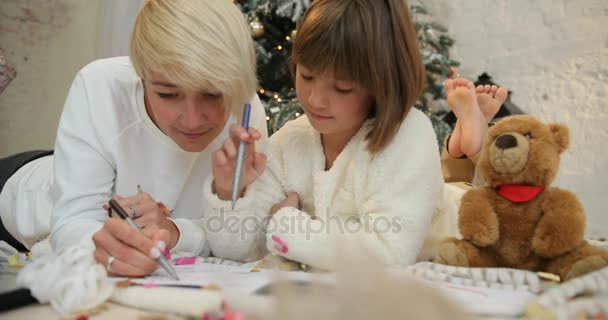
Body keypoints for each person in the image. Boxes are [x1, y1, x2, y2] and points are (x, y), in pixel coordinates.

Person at [0, 0, 267, 277]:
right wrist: (115, 249)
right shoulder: (101, 84)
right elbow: (71, 224)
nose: (192, 119)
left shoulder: (246, 110)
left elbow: (242, 237)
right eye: (167, 94)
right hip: (17, 199)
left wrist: (173, 230)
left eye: (213, 94)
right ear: (140, 76)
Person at [202, 0, 444, 270]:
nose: (315, 100)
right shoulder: (291, 140)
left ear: (383, 83)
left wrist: (284, 222)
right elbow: (237, 252)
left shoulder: (408, 135)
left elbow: (387, 257)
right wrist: (228, 192)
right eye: (306, 76)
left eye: (342, 88)